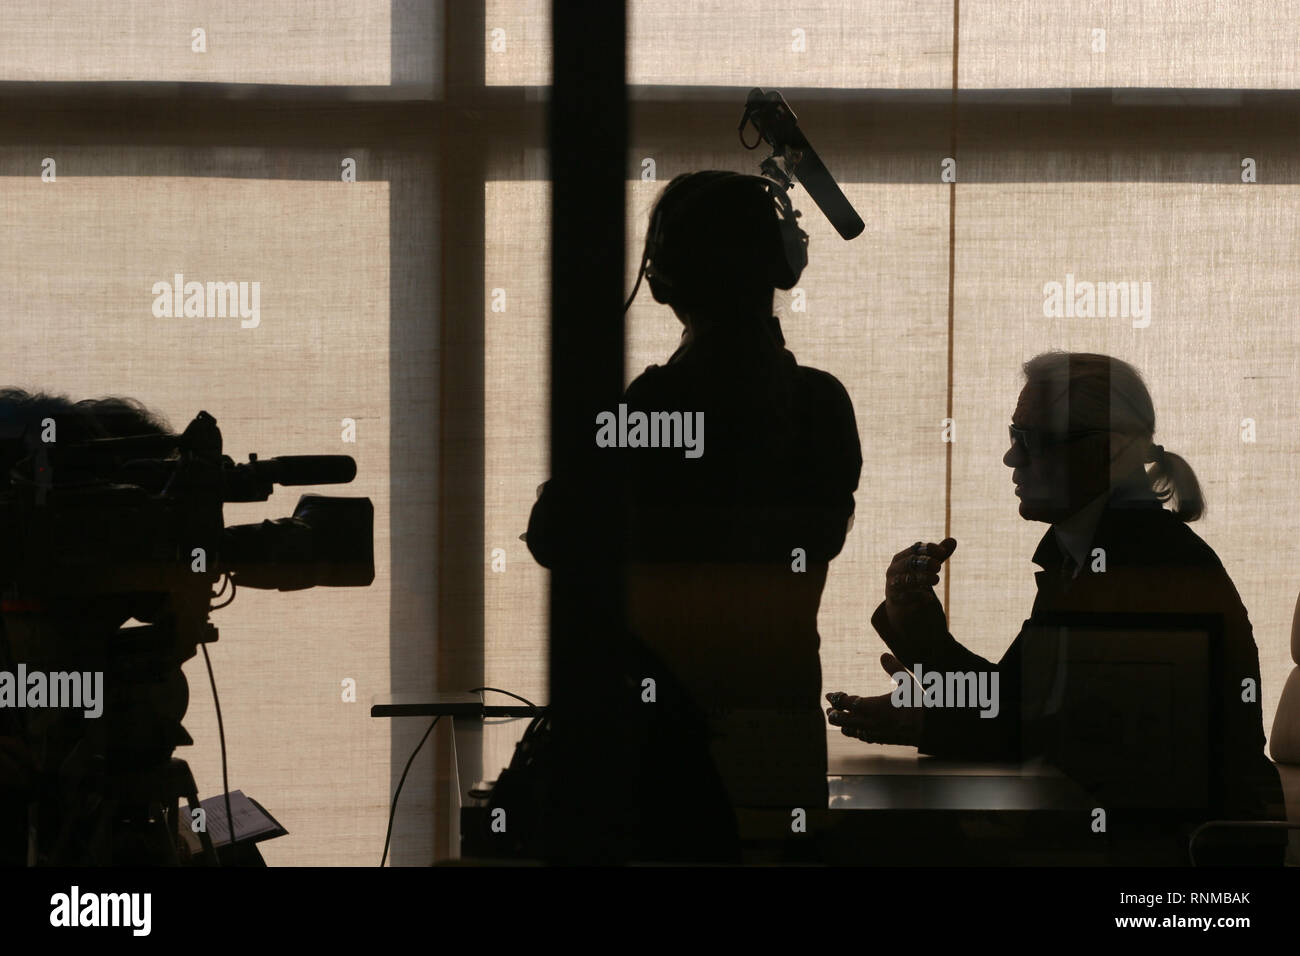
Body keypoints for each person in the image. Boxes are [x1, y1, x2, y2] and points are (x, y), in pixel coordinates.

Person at [826, 352, 1285, 864]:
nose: (1011, 458)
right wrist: (927, 656)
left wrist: (926, 693)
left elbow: (1043, 736)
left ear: (1106, 453)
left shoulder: (1141, 565)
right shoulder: (1108, 548)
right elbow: (1033, 708)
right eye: (1013, 433)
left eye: (1033, 440)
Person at [527, 171, 862, 852]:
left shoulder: (648, 408)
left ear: (662, 278)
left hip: (652, 727)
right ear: (780, 266)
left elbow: (553, 533)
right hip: (781, 722)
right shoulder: (821, 404)